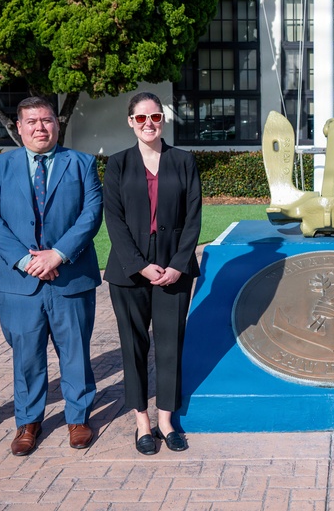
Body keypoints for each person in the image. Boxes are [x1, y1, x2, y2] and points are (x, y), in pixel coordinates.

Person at [0, 96, 103, 456]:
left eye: (46, 120)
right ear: (19, 127)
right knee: (26, 355)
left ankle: (78, 418)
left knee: (75, 351)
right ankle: (28, 422)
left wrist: (58, 254)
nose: (39, 127)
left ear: (57, 124)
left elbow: (91, 214)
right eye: (31, 121)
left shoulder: (81, 164)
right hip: (18, 282)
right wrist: (23, 259)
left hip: (70, 276)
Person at [103, 93, 202, 455]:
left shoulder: (184, 161)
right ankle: (141, 421)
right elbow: (113, 220)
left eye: (155, 117)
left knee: (170, 345)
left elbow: (194, 219)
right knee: (133, 347)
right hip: (129, 272)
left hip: (174, 271)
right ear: (130, 121)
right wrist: (140, 265)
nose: (149, 123)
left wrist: (178, 264)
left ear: (164, 120)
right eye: (141, 118)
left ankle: (166, 420)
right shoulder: (117, 164)